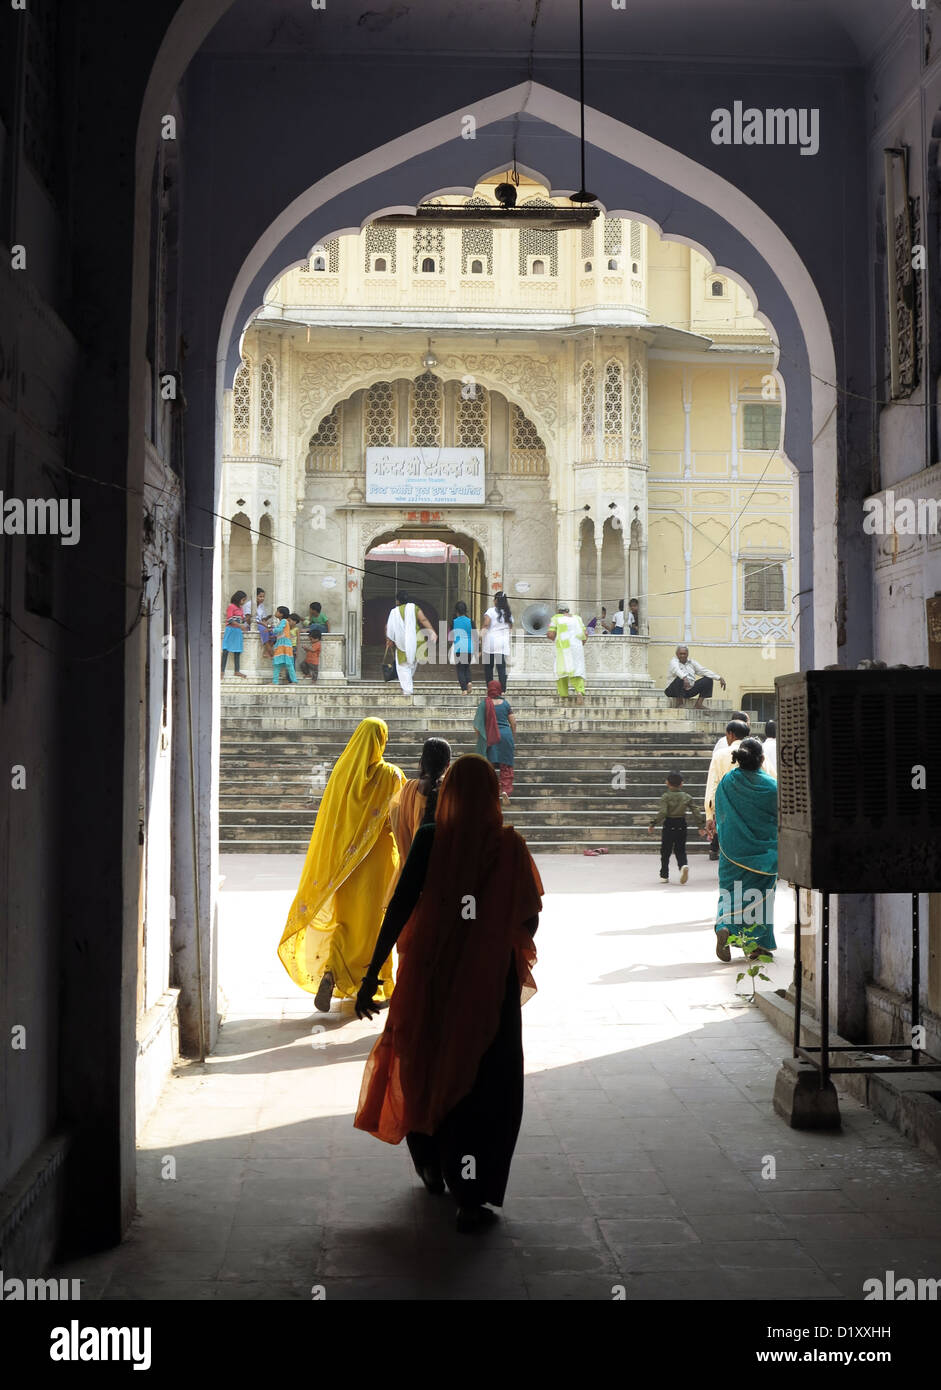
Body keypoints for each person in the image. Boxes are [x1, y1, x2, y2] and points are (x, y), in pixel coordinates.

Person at [354, 755, 542, 1234]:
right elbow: (529, 919)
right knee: (482, 1083)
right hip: (487, 986)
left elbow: (399, 907)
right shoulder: (509, 846)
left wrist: (373, 972)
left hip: (429, 976)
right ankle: (470, 1193)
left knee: (424, 1065)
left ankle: (432, 1162)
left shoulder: (431, 839)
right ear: (492, 796)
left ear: (449, 794)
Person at [278, 717, 405, 1011]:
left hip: (345, 865)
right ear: (381, 741)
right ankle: (378, 987)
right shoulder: (391, 775)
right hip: (378, 863)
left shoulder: (342, 773)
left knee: (345, 924)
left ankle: (331, 972)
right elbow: (397, 820)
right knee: (376, 926)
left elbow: (331, 819)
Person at [713, 736, 778, 963]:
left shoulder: (727, 782)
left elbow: (720, 812)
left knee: (730, 894)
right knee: (760, 900)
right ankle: (758, 945)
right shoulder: (771, 787)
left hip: (732, 851)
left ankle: (725, 926)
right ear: (761, 759)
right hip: (764, 855)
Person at [388, 737, 452, 886]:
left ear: (422, 762)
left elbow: (394, 820)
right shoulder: (451, 791)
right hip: (441, 879)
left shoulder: (408, 789)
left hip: (407, 879)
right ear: (448, 764)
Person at [647, 770, 706, 884]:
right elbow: (696, 811)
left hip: (669, 824)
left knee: (666, 850)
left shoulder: (665, 797)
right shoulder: (687, 797)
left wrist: (653, 823)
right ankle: (683, 865)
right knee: (680, 849)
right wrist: (700, 826)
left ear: (667, 783)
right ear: (681, 784)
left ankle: (664, 875)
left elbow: (663, 812)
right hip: (681, 824)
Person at [704, 719, 749, 857]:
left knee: (729, 844)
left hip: (726, 807)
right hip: (749, 804)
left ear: (730, 734)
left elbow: (713, 784)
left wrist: (709, 814)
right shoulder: (755, 752)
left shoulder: (720, 755)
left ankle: (732, 874)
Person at [385, 589, 436, 696]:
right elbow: (423, 620)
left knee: (403, 667)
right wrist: (432, 632)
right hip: (417, 642)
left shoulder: (394, 612)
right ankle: (408, 687)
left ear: (397, 601)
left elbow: (389, 628)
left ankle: (407, 691)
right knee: (410, 665)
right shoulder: (414, 608)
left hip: (402, 644)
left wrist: (389, 640)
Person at [473, 679, 516, 802]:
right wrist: (512, 736)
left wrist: (482, 738)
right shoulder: (505, 704)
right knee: (506, 766)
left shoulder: (484, 704)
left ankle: (492, 790)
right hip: (506, 736)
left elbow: (477, 725)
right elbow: (513, 722)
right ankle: (505, 791)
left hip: (490, 738)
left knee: (489, 766)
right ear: (499, 689)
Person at [547, 603, 588, 703]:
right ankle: (579, 691)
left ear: (558, 611)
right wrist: (580, 644)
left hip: (564, 647)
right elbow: (585, 634)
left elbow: (551, 634)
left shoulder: (556, 618)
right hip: (577, 647)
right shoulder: (577, 618)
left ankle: (564, 693)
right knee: (577, 668)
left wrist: (549, 635)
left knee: (561, 669)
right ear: (567, 610)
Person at [480, 591, 513, 691]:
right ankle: (502, 690)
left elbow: (486, 624)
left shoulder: (491, 611)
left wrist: (481, 636)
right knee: (501, 667)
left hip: (491, 642)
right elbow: (510, 627)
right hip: (502, 643)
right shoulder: (508, 613)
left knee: (489, 667)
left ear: (496, 600)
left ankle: (490, 688)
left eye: (494, 599)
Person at [221, 590, 249, 677]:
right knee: (226, 650)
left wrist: (246, 619)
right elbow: (229, 619)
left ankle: (237, 671)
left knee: (237, 651)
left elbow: (242, 618)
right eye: (243, 600)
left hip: (237, 631)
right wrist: (240, 625)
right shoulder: (231, 607)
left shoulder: (240, 608)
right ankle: (221, 671)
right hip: (231, 630)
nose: (244, 602)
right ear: (238, 599)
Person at [299, 601, 329, 681]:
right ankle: (308, 674)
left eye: (311, 609)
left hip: (322, 629)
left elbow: (327, 623)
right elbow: (306, 620)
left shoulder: (322, 616)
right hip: (315, 630)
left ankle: (307, 630)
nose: (310, 611)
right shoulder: (311, 617)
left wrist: (328, 632)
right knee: (311, 624)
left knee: (316, 625)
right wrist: (300, 618)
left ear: (314, 610)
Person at [449, 600, 474, 694]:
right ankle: (469, 682)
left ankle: (464, 689)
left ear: (456, 611)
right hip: (469, 647)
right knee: (467, 667)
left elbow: (450, 637)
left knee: (460, 669)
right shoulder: (470, 621)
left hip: (459, 647)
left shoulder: (453, 622)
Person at [271, 606, 298, 685]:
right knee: (280, 663)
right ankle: (275, 681)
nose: (276, 613)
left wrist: (271, 629)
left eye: (277, 611)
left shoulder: (283, 621)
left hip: (284, 645)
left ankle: (293, 681)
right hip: (282, 644)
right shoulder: (284, 621)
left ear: (281, 614)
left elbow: (278, 630)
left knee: (284, 663)